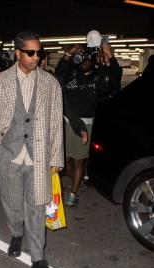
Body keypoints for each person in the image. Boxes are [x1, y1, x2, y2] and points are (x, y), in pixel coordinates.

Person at [0, 31, 64, 268]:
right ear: (17, 53)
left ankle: (38, 260)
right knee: (12, 205)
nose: (35, 57)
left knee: (37, 208)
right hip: (9, 157)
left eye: (39, 53)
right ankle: (16, 233)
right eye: (30, 52)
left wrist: (56, 158)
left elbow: (56, 123)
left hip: (39, 157)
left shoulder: (51, 84)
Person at [55, 42, 113, 208]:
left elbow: (106, 87)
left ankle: (73, 194)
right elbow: (58, 76)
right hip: (67, 120)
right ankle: (78, 181)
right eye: (80, 59)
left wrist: (102, 63)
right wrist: (68, 53)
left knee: (79, 161)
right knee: (65, 163)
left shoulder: (97, 75)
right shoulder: (71, 73)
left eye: (87, 59)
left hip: (85, 123)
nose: (83, 62)